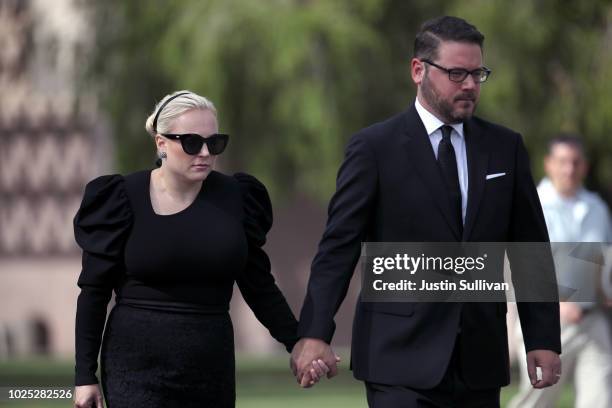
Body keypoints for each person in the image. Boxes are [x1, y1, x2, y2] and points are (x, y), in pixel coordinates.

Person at [290, 16, 562, 407]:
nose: (469, 85)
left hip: (479, 362)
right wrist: (314, 333)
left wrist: (542, 339)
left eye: (477, 73)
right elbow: (338, 247)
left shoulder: (505, 148)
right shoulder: (374, 148)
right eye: (456, 73)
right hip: (397, 362)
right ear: (418, 70)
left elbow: (531, 250)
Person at [73, 90, 329, 408]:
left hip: (210, 367)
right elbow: (93, 293)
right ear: (161, 143)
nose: (205, 152)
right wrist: (84, 376)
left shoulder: (237, 198)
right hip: (135, 369)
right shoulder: (121, 198)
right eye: (192, 142)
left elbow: (259, 286)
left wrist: (299, 342)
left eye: (215, 142)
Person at [509, 135, 612, 408]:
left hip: (592, 322)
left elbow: (602, 260)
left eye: (576, 162)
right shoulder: (533, 204)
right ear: (549, 164)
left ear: (585, 167)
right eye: (563, 161)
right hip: (548, 322)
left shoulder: (597, 208)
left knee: (600, 398)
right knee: (537, 400)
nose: (570, 169)